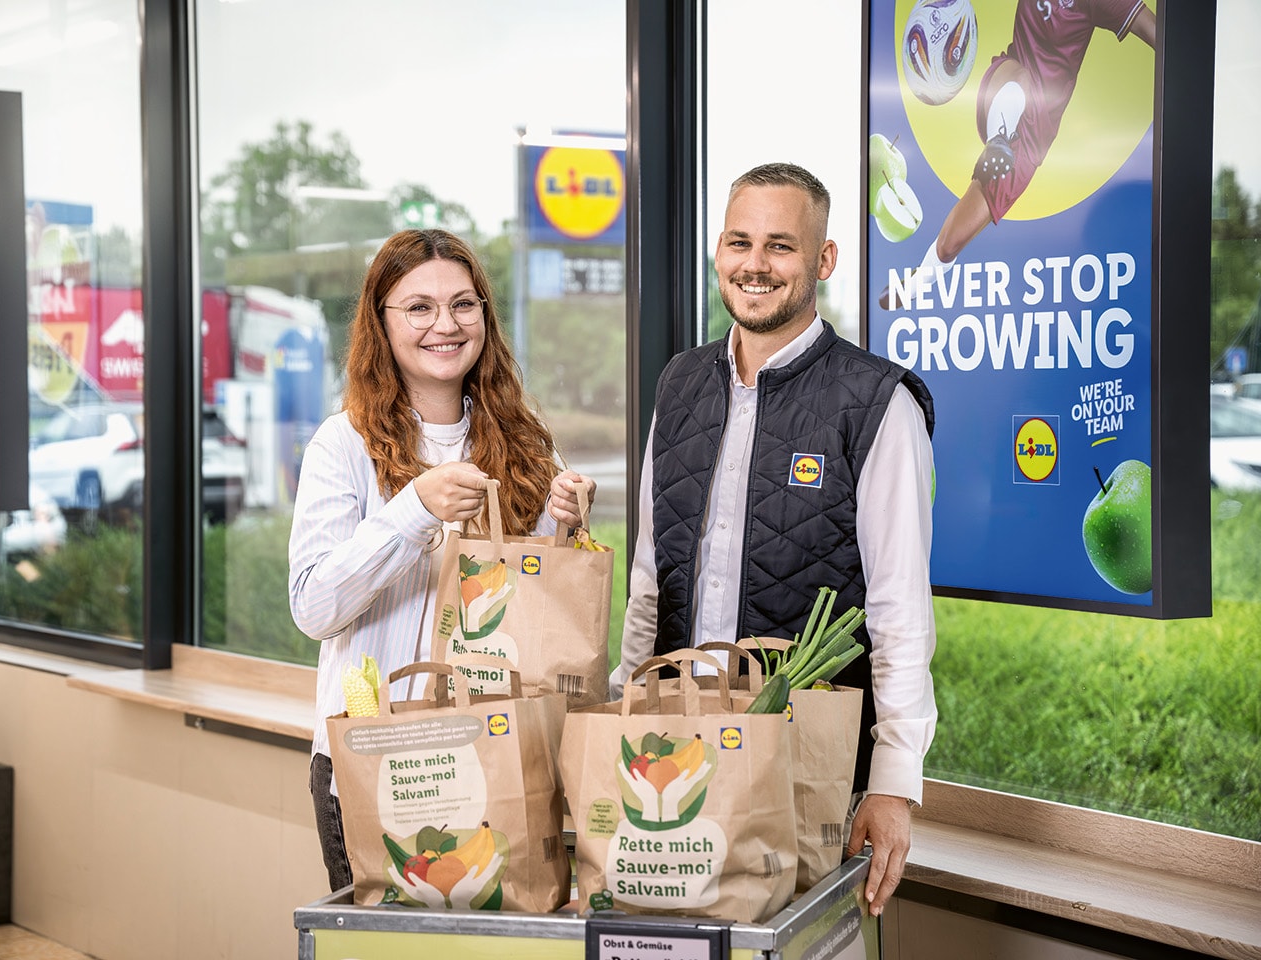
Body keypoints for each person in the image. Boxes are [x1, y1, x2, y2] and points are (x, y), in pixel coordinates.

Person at [612, 162, 937, 917]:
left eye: (781, 246)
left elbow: (899, 610)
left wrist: (893, 782)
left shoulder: (878, 403)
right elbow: (649, 583)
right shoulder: (679, 385)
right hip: (675, 752)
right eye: (739, 242)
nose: (755, 265)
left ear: (823, 261)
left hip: (807, 761)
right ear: (718, 254)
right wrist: (622, 711)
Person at [289, 228, 595, 891]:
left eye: (463, 304)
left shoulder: (526, 445)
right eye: (419, 308)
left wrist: (564, 527)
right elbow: (315, 607)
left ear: (485, 314)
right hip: (375, 759)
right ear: (382, 322)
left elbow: (535, 619)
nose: (445, 325)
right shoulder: (341, 444)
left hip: (496, 755)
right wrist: (413, 510)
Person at [881, 0, 1156, 308]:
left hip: (1035, 134)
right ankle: (1000, 138)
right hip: (1004, 85)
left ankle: (921, 280)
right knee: (1019, 80)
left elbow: (1157, 32)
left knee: (950, 244)